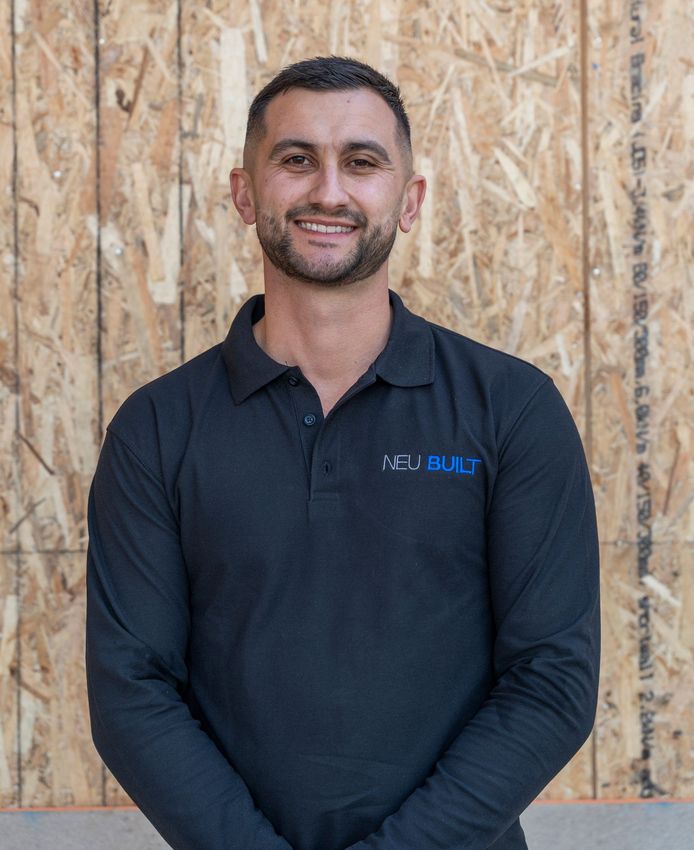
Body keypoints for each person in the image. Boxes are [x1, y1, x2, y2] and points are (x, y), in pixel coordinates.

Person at [86, 56, 600, 850]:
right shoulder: (157, 429)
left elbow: (551, 681)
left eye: (362, 162)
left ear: (410, 198)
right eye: (297, 160)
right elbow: (131, 691)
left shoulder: (512, 410)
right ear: (244, 193)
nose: (329, 190)